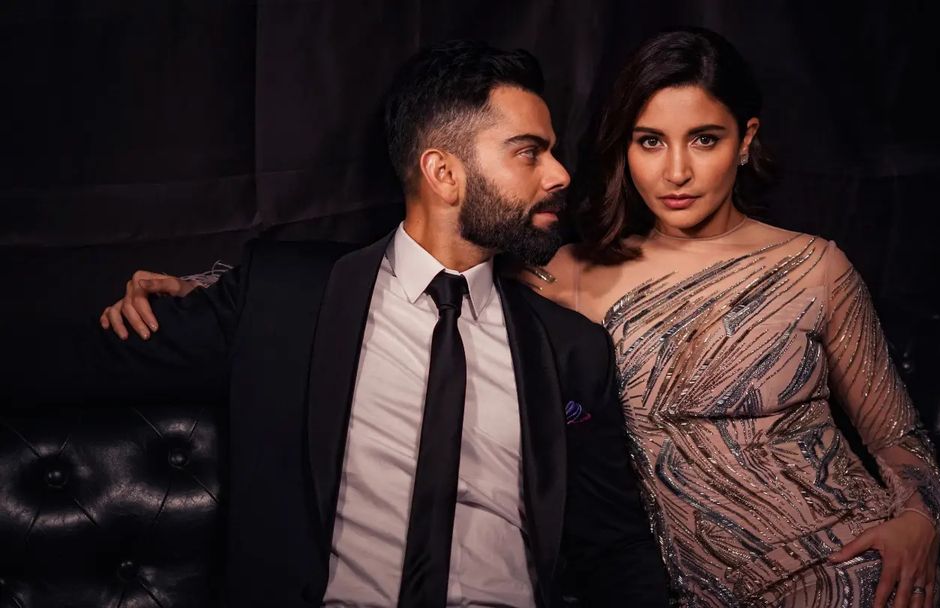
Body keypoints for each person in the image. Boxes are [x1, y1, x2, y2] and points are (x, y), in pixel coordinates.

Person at [101, 29, 940, 608]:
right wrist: (216, 288)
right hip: (703, 583)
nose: (676, 171)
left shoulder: (811, 268)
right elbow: (410, 260)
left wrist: (917, 519)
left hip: (845, 562)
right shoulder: (567, 274)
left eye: (704, 140)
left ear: (745, 142)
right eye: (649, 141)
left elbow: (898, 438)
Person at [6, 40, 669, 608]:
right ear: (443, 172)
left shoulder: (569, 350)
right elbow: (64, 361)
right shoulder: (282, 300)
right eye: (529, 152)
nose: (560, 174)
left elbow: (613, 547)